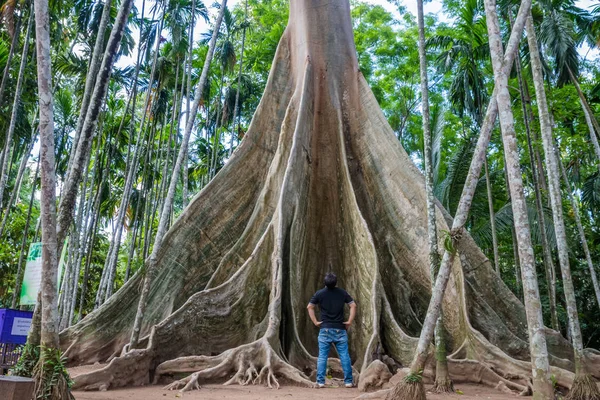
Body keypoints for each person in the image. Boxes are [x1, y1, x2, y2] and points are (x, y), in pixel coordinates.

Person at [307, 272, 357, 388]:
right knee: (344, 355)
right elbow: (353, 305)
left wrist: (315, 321)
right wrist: (349, 321)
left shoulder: (320, 293)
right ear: (336, 283)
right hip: (340, 329)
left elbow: (310, 306)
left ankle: (320, 381)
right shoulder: (342, 293)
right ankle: (348, 381)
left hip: (325, 329)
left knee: (322, 356)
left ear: (324, 283)